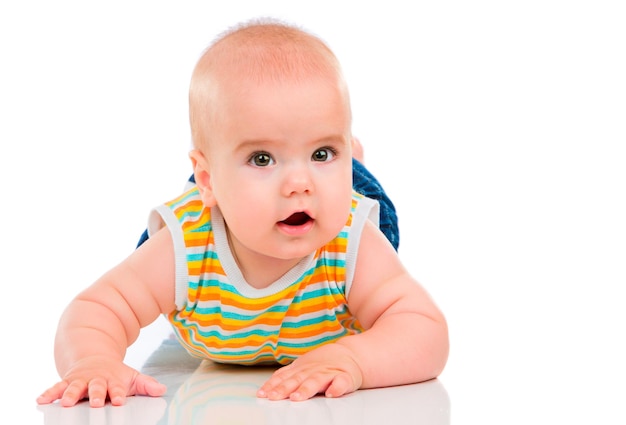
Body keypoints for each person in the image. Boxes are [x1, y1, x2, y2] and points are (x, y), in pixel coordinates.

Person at [37, 18, 448, 408]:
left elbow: (424, 330)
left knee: (353, 190)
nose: (298, 182)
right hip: (216, 216)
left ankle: (349, 161)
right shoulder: (185, 247)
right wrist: (93, 361)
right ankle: (281, 164)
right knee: (237, 190)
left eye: (323, 152)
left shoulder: (350, 241)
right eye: (263, 158)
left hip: (336, 206)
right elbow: (96, 309)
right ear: (207, 180)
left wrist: (354, 359)